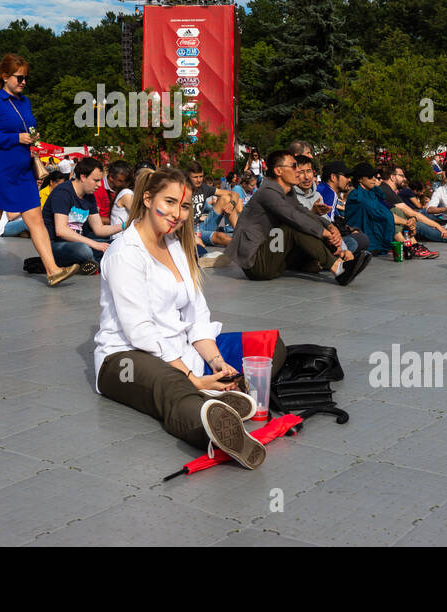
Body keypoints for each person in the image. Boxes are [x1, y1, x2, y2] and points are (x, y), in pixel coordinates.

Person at [94, 166, 277, 468]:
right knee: (173, 386)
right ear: (149, 199)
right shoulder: (124, 253)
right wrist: (192, 377)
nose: (177, 213)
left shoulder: (176, 244)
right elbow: (140, 332)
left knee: (268, 347)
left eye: (185, 206)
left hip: (181, 351)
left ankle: (217, 393)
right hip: (127, 357)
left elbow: (197, 315)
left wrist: (218, 363)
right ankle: (213, 424)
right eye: (169, 202)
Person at [0, 55, 79, 289]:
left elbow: (24, 127)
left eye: (26, 78)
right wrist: (15, 138)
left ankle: (52, 270)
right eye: (20, 77)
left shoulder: (25, 102)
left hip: (22, 172)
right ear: (5, 76)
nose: (24, 82)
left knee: (36, 220)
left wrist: (30, 138)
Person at [228, 151, 367, 285]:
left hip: (276, 256)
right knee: (294, 225)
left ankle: (325, 261)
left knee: (307, 225)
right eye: (294, 166)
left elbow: (304, 212)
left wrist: (330, 227)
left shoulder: (287, 192)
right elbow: (293, 217)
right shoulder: (267, 193)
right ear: (278, 171)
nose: (298, 172)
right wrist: (325, 233)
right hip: (257, 265)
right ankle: (338, 268)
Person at [42, 157, 125, 271]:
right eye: (96, 180)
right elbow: (61, 230)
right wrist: (94, 244)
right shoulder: (63, 193)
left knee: (120, 243)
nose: (100, 185)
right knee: (83, 250)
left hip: (80, 241)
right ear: (83, 177)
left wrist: (125, 225)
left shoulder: (89, 195)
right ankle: (100, 263)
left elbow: (99, 229)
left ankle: (91, 263)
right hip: (56, 245)